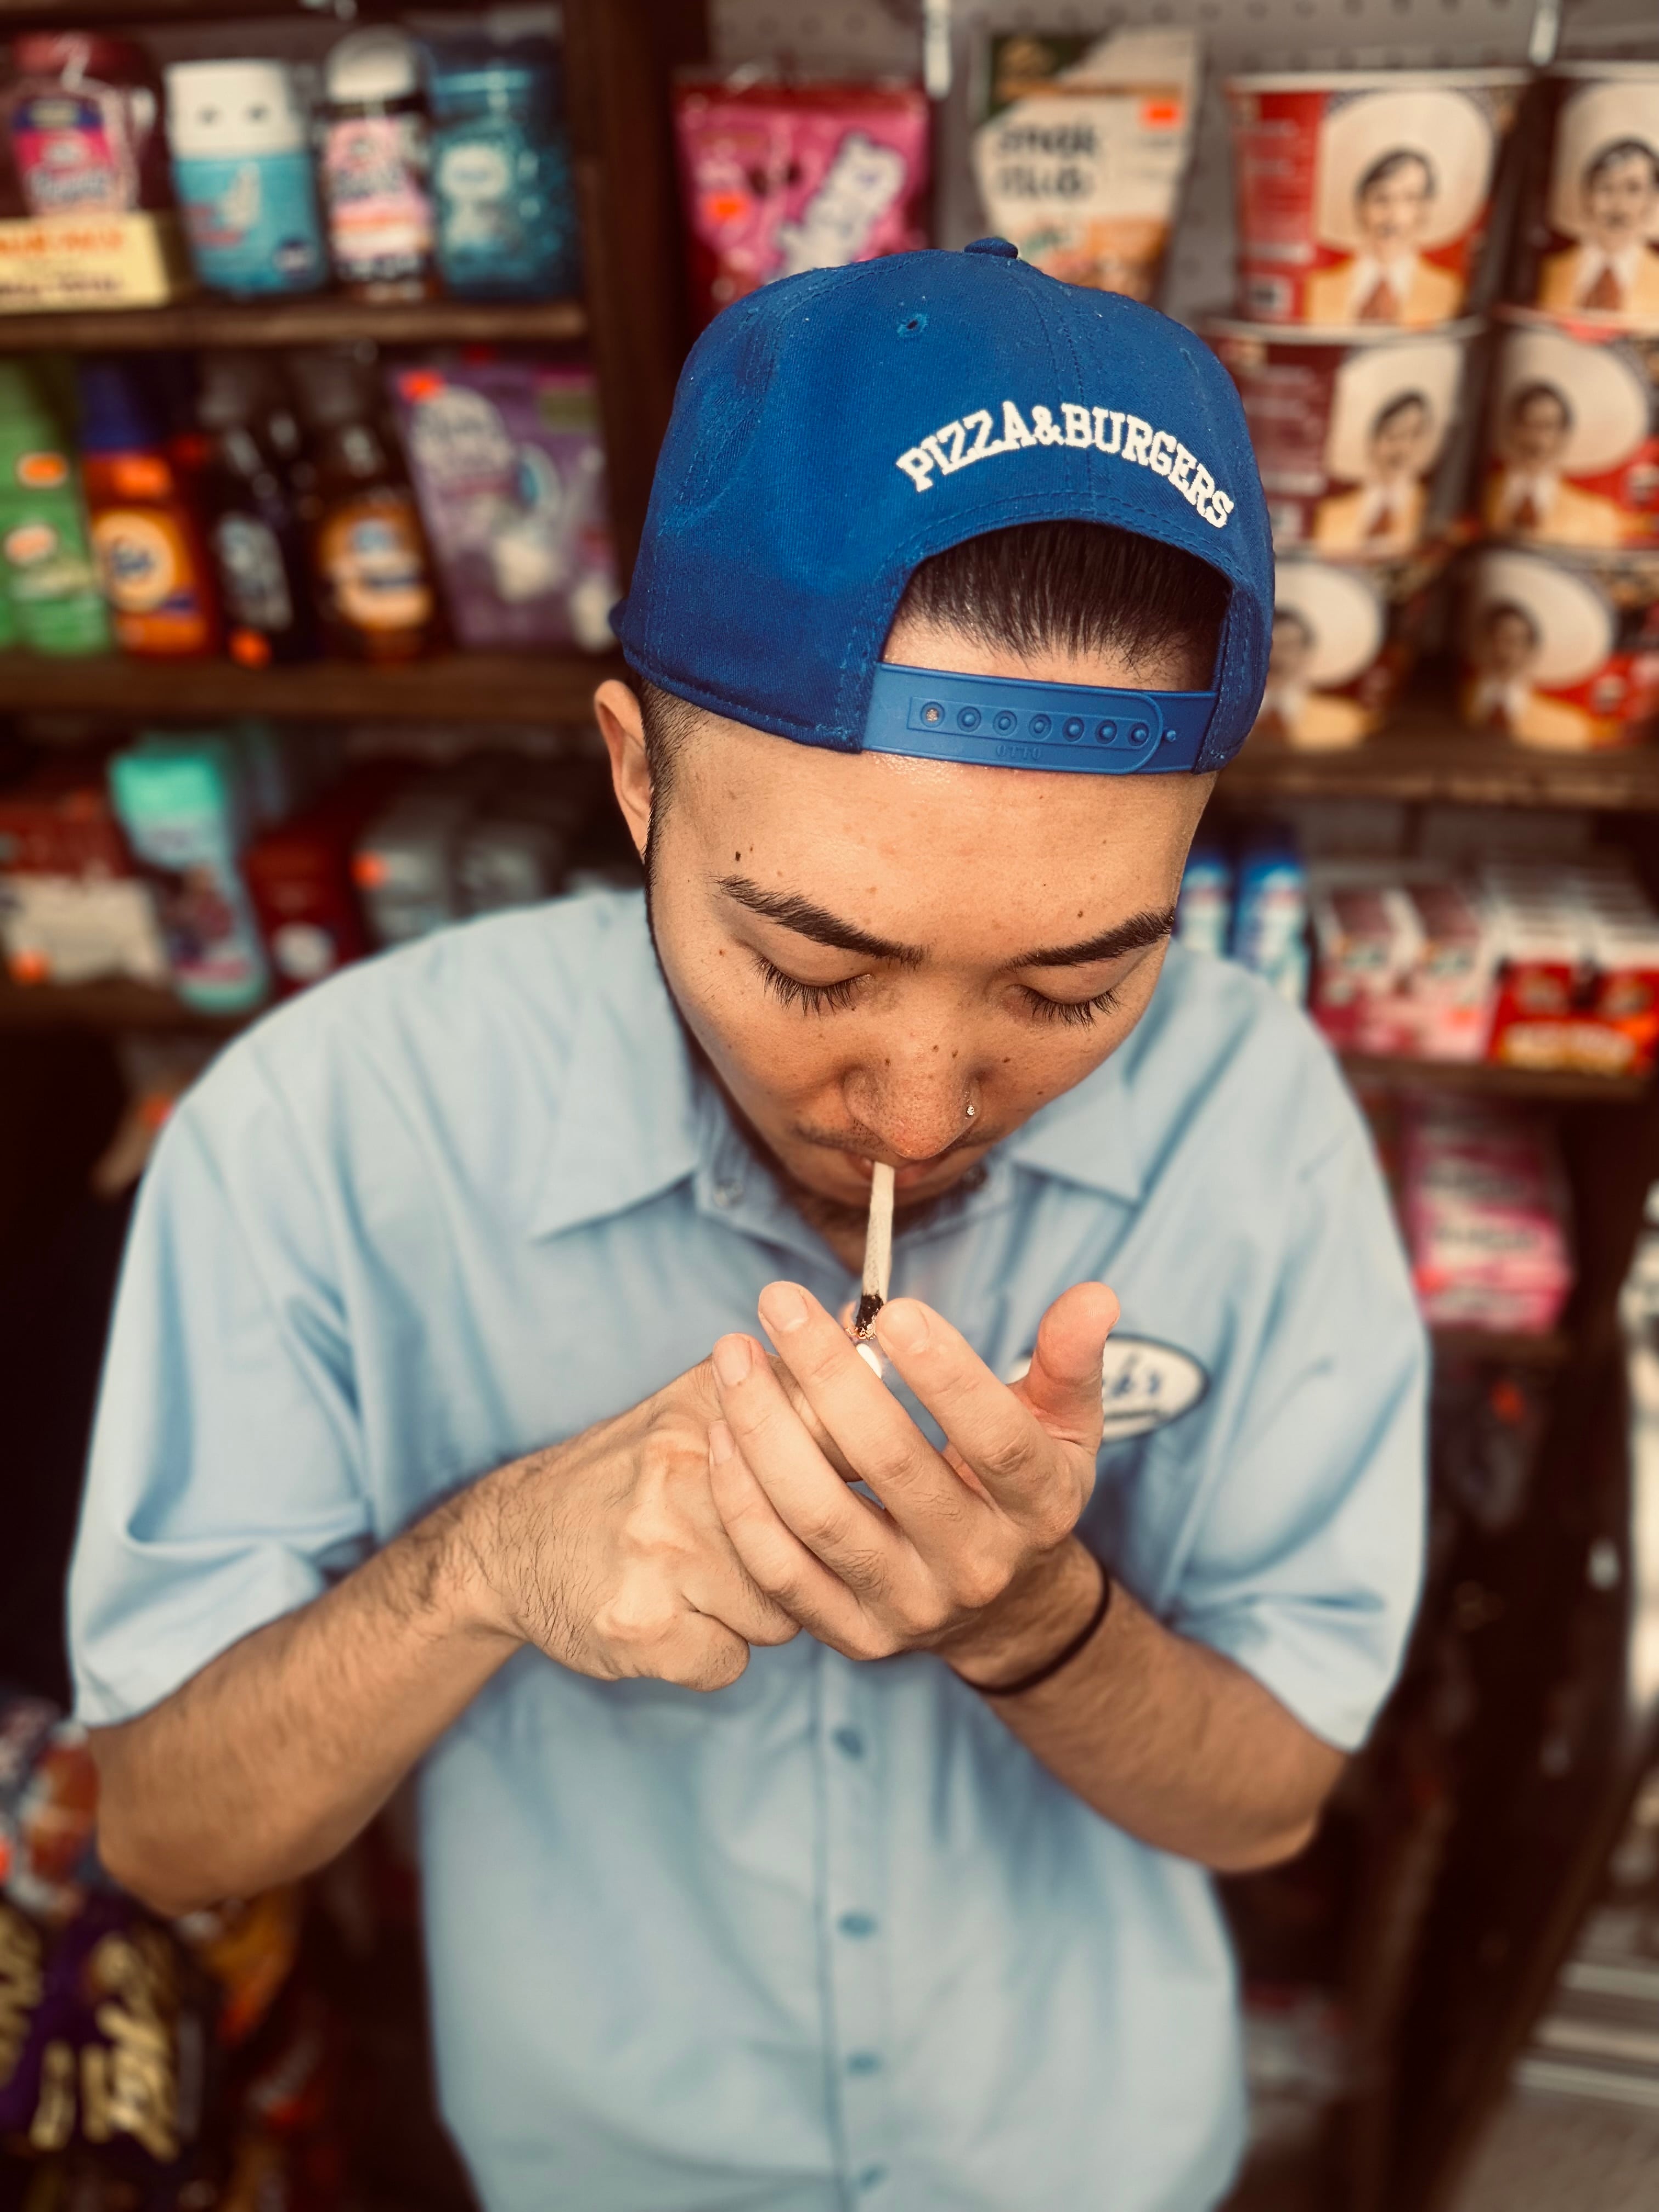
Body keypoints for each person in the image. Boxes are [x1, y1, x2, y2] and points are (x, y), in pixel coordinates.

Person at [71, 240, 1425, 2212]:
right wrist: (479, 1563)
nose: (917, 1109)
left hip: (1084, 2156)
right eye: (811, 966)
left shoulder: (1257, 1128)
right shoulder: (330, 1129)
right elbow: (167, 1834)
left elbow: (1269, 1800)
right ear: (637, 776)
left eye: (1069, 988)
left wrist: (1029, 1621)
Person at [1305, 147, 1464, 326]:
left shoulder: (1449, 291)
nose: (1392, 215)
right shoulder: (1317, 289)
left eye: (1409, 199)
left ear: (1424, 209)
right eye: (1381, 198)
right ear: (1361, 206)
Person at [1482, 380, 1626, 548]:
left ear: (1563, 436)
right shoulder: (1476, 500)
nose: (1536, 439)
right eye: (1527, 424)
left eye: (1547, 426)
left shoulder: (1597, 518)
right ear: (1511, 430)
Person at [1539, 136, 1659, 318]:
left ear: (1651, 199)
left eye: (1633, 189)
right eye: (1606, 187)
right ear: (1588, 195)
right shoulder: (1550, 271)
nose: (1618, 206)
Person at [1460, 597, 1596, 747]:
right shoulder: (1463, 696)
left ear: (1532, 650)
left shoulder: (1567, 725)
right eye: (1496, 637)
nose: (1503, 650)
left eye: (1515, 641)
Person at [1312, 388, 1434, 552]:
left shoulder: (1432, 512)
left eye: (1415, 435)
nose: (1403, 448)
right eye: (1394, 435)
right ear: (1373, 441)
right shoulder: (1333, 513)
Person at [1254, 603, 1371, 747]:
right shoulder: (1230, 716)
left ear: (1307, 653)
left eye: (1287, 645)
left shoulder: (1343, 722)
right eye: (1267, 645)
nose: (1275, 655)